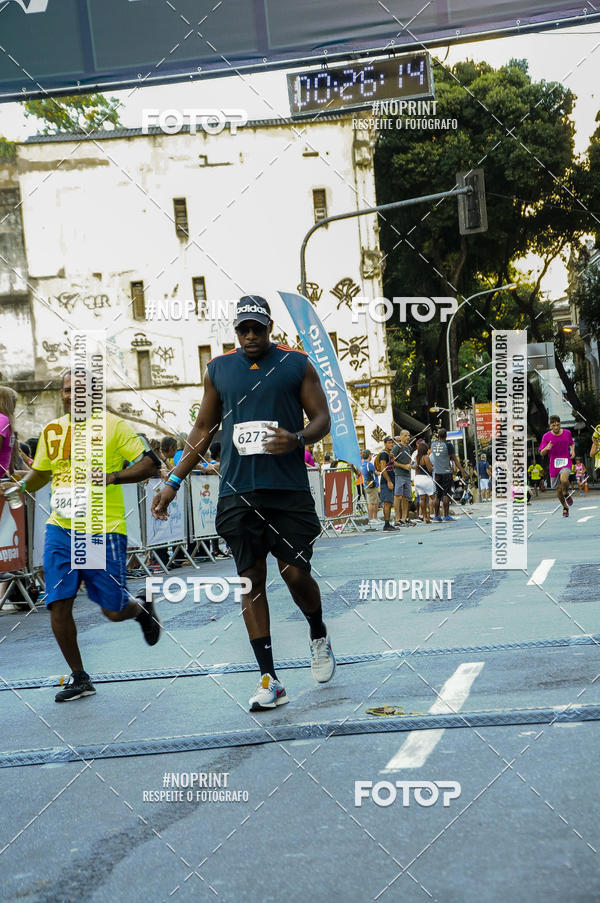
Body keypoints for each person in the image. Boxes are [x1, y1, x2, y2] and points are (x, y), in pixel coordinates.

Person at [152, 296, 335, 711]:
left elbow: (322, 418)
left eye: (258, 328)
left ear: (269, 327)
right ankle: (269, 679)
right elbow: (202, 428)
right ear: (235, 331)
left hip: (287, 491)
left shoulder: (296, 363)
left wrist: (299, 438)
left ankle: (317, 630)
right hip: (237, 491)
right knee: (249, 581)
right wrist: (175, 479)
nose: (251, 336)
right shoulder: (219, 369)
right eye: (243, 329)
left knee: (294, 575)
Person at [0, 371, 162, 701]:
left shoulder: (115, 426)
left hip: (102, 529)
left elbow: (150, 464)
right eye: (65, 390)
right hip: (61, 527)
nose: (71, 395)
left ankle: (141, 609)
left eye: (79, 390)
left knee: (112, 611)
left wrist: (112, 476)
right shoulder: (53, 429)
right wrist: (18, 487)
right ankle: (79, 676)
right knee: (58, 603)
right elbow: (42, 472)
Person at [539, 414, 575, 517]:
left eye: (558, 425)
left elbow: (571, 443)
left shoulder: (567, 433)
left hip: (566, 461)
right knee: (558, 490)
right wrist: (546, 448)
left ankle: (566, 493)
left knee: (564, 480)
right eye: (554, 425)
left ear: (560, 424)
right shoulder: (546, 436)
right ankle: (565, 507)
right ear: (550, 425)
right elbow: (542, 453)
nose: (556, 427)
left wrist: (572, 451)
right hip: (554, 464)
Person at [430, 427, 467, 522]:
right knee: (446, 494)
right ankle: (446, 516)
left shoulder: (433, 445)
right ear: (446, 436)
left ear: (438, 436)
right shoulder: (448, 445)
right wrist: (462, 470)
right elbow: (454, 459)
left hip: (437, 473)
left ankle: (436, 516)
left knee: (437, 495)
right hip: (446, 472)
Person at [392, 430, 414, 526]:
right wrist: (404, 466)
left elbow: (409, 459)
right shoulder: (397, 447)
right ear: (401, 437)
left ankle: (404, 518)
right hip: (399, 474)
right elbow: (392, 461)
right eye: (405, 435)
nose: (408, 437)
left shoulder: (409, 447)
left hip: (407, 475)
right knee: (398, 496)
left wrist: (410, 464)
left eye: (408, 435)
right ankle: (397, 518)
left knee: (406, 497)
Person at [375, 437, 398, 531]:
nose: (391, 445)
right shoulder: (384, 455)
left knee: (389, 503)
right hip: (386, 482)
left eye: (392, 443)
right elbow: (383, 469)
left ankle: (388, 524)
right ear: (385, 444)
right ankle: (386, 524)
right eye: (389, 443)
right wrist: (388, 481)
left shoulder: (390, 454)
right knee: (387, 503)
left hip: (391, 480)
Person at [413, 440, 435, 523]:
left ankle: (425, 517)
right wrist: (432, 467)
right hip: (426, 478)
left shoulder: (417, 458)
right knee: (433, 497)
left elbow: (415, 467)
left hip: (417, 479)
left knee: (422, 498)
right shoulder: (426, 457)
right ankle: (434, 514)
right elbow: (429, 469)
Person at [0, 386, 17, 480]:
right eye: (14, 402)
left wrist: (12, 472)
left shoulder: (7, 421)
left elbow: (10, 448)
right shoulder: (2, 419)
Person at [361, 449, 379, 526]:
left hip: (366, 485)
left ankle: (373, 518)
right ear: (369, 456)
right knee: (373, 503)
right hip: (372, 485)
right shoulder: (369, 464)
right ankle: (373, 518)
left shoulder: (363, 464)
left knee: (371, 501)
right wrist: (379, 473)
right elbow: (376, 473)